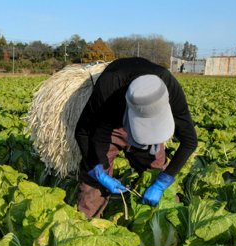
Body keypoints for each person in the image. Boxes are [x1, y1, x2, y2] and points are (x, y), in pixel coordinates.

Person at [74, 57, 198, 218]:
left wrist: (163, 182)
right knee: (94, 183)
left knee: (155, 170)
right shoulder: (109, 87)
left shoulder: (168, 85)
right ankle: (86, 225)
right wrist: (97, 171)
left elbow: (190, 141)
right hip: (110, 125)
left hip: (145, 128)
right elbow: (82, 132)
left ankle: (169, 221)